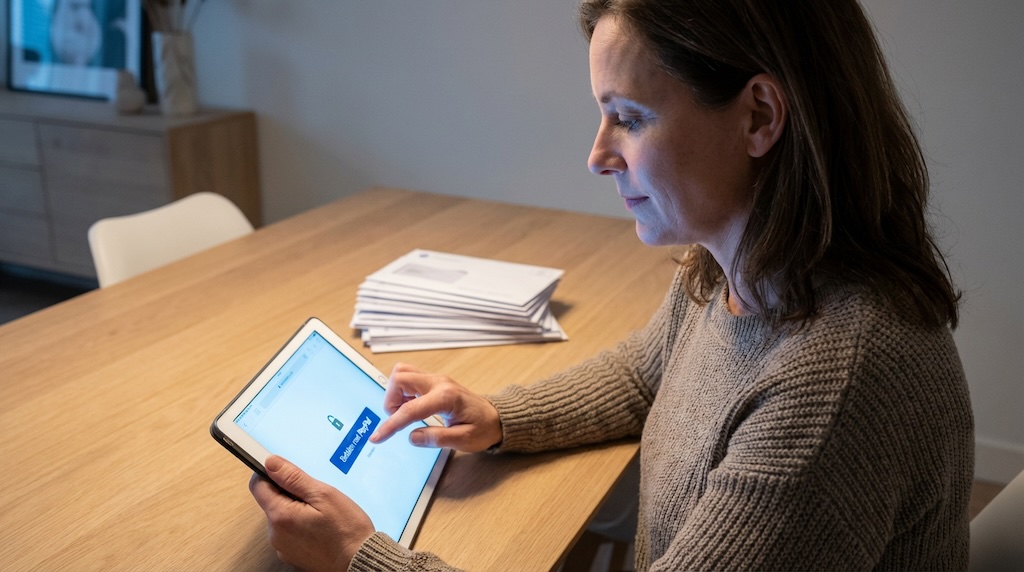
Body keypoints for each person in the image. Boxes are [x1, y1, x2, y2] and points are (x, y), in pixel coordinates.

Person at [249, 0, 973, 570]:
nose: (598, 155)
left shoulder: (836, 388)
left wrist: (359, 557)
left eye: (628, 118)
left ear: (759, 116)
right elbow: (645, 373)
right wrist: (499, 415)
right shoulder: (742, 268)